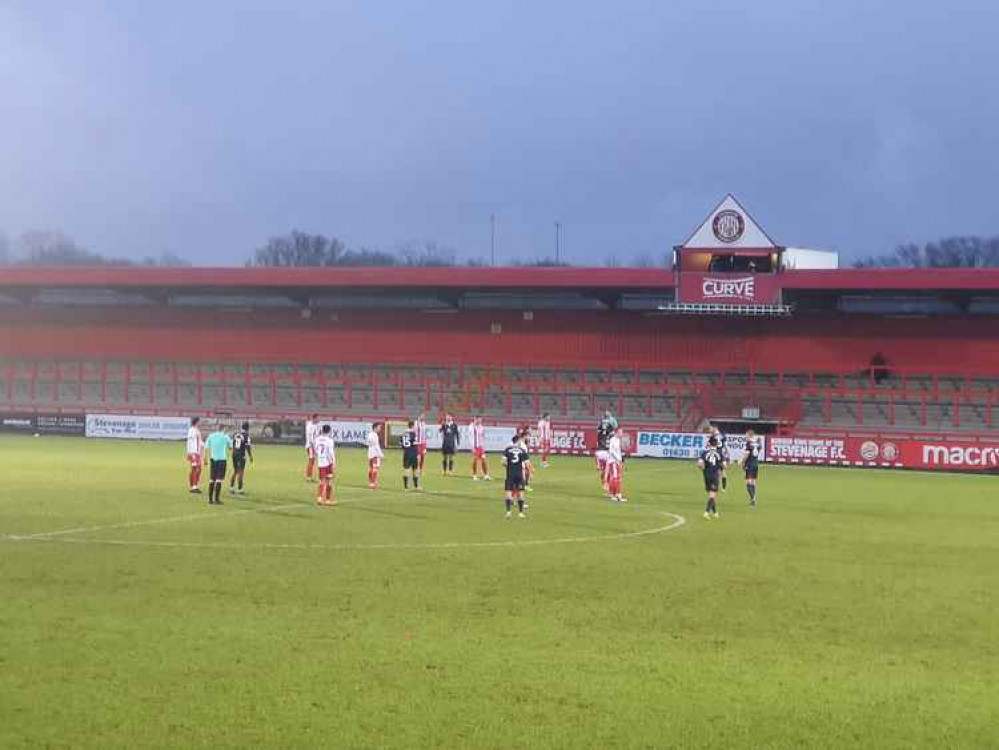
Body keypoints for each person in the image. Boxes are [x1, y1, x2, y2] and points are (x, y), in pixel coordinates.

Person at [502, 433, 530, 519]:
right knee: (521, 492)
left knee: (508, 493)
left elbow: (503, 462)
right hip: (519, 474)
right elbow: (527, 464)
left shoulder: (507, 450)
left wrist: (508, 467)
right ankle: (521, 513)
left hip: (510, 474)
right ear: (517, 441)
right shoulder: (522, 450)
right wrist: (529, 473)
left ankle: (508, 512)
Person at [204, 425, 232, 505]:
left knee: (212, 479)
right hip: (222, 460)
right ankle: (216, 499)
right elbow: (230, 447)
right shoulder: (225, 436)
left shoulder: (211, 436)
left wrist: (205, 458)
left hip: (213, 459)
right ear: (223, 429)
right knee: (219, 479)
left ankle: (210, 499)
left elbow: (206, 447)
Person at [698, 435, 723, 519]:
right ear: (716, 444)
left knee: (711, 494)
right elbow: (724, 465)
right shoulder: (719, 453)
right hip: (715, 475)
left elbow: (699, 465)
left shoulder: (704, 453)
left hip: (706, 475)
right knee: (712, 495)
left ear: (709, 443)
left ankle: (715, 513)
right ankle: (706, 512)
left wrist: (704, 470)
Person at [314, 423, 337, 506]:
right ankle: (327, 500)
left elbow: (316, 450)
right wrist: (333, 462)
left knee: (321, 481)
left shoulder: (317, 439)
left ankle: (319, 498)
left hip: (320, 462)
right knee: (329, 481)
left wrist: (319, 457)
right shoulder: (329, 440)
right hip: (328, 463)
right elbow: (331, 453)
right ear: (329, 431)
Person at [229, 422, 253, 495]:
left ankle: (231, 488)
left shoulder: (236, 434)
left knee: (235, 471)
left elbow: (232, 444)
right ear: (247, 428)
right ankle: (240, 489)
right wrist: (250, 456)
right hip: (241, 455)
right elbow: (247, 446)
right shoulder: (246, 435)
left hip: (234, 454)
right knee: (241, 472)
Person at [606, 426, 627, 503]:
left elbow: (617, 451)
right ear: (617, 432)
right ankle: (616, 495)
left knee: (616, 478)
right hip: (614, 461)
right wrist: (618, 459)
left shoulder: (617, 440)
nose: (622, 433)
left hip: (617, 462)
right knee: (615, 478)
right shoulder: (613, 440)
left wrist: (621, 460)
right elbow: (611, 451)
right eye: (621, 432)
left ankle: (614, 494)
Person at [741, 429, 761, 508]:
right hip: (756, 464)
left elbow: (746, 454)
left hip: (749, 464)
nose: (745, 437)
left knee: (748, 482)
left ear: (749, 435)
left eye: (746, 436)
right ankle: (753, 498)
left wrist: (742, 463)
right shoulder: (758, 444)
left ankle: (752, 499)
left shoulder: (749, 443)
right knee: (753, 482)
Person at [595, 415, 615, 493]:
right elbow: (613, 435)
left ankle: (605, 484)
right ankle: (607, 484)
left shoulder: (600, 426)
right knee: (609, 470)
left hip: (600, 451)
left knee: (605, 470)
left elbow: (598, 431)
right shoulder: (610, 427)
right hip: (606, 451)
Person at [400, 420, 421, 490]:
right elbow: (416, 443)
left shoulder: (403, 434)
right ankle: (416, 486)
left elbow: (401, 444)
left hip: (406, 453)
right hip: (413, 453)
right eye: (414, 425)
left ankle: (406, 487)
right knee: (415, 469)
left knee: (406, 469)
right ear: (412, 426)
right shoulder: (414, 434)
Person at [186, 417, 204, 493]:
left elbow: (199, 441)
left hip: (197, 453)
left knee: (196, 469)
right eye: (199, 421)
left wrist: (205, 445)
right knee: (196, 468)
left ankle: (193, 486)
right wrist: (189, 452)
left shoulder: (196, 430)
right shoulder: (192, 430)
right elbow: (189, 441)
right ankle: (194, 486)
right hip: (194, 452)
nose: (200, 423)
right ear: (197, 422)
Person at [709, 425, 730, 491]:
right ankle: (723, 488)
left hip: (715, 454)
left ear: (715, 428)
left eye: (711, 428)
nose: (710, 430)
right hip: (721, 455)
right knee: (723, 471)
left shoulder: (712, 437)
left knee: (714, 470)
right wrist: (727, 456)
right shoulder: (723, 435)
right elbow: (726, 447)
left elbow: (710, 447)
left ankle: (714, 485)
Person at [470, 416, 491, 481]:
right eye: (478, 419)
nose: (480, 421)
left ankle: (486, 475)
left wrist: (483, 445)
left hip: (481, 447)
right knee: (475, 460)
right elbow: (471, 437)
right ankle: (474, 475)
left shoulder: (481, 427)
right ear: (475, 419)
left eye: (480, 420)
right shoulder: (472, 427)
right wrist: (472, 447)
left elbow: (482, 436)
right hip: (475, 446)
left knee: (484, 460)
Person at [366, 422, 384, 489]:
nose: (380, 429)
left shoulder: (370, 434)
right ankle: (373, 484)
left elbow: (369, 444)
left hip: (370, 454)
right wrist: (381, 455)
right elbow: (376, 446)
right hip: (375, 455)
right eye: (379, 427)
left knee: (371, 469)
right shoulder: (375, 435)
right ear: (375, 427)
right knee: (375, 469)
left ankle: (371, 483)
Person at [304, 413, 319, 483]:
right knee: (311, 460)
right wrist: (313, 446)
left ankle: (310, 476)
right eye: (317, 418)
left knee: (312, 461)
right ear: (314, 418)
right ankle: (308, 477)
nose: (318, 420)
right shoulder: (309, 426)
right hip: (310, 446)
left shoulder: (315, 426)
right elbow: (310, 437)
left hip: (313, 446)